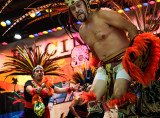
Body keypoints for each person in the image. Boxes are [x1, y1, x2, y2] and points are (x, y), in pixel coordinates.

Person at [64, 0, 139, 117]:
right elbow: (95, 50)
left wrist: (134, 56)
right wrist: (98, 64)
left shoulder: (104, 14)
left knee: (119, 94)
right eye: (73, 9)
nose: (77, 10)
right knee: (91, 99)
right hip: (105, 66)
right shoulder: (82, 30)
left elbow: (131, 28)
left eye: (79, 5)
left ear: (86, 4)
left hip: (124, 60)